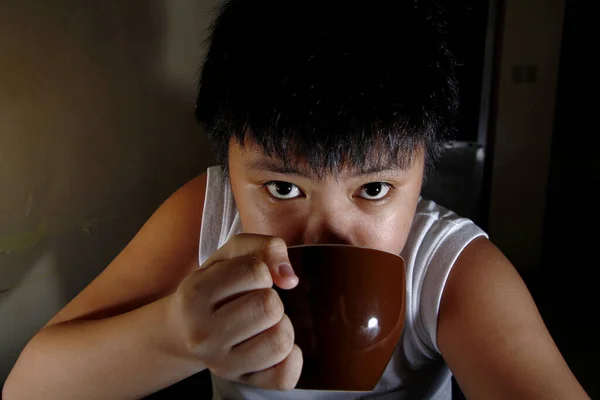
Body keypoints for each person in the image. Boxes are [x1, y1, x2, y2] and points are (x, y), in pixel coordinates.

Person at [3, 0, 589, 399]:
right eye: (283, 188)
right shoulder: (210, 216)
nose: (324, 237)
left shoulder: (447, 269)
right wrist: (172, 336)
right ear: (228, 160)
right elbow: (28, 384)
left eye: (375, 190)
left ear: (423, 174)